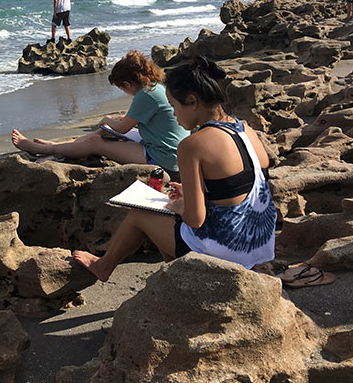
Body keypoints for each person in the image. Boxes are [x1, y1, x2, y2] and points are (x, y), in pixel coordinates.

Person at [74, 56, 276, 280]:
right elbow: (241, 189)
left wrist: (182, 206)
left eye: (173, 106)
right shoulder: (246, 130)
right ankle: (177, 277)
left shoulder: (192, 145)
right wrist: (197, 193)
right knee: (171, 223)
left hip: (230, 249)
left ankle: (103, 267)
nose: (174, 114)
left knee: (141, 214)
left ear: (192, 101)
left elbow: (195, 219)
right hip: (261, 243)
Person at [12, 50, 188, 176]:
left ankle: (41, 149)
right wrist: (116, 122)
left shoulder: (146, 95)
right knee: (104, 131)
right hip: (172, 151)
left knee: (97, 141)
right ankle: (60, 146)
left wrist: (108, 120)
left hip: (163, 158)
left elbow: (122, 129)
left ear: (127, 84)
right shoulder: (155, 88)